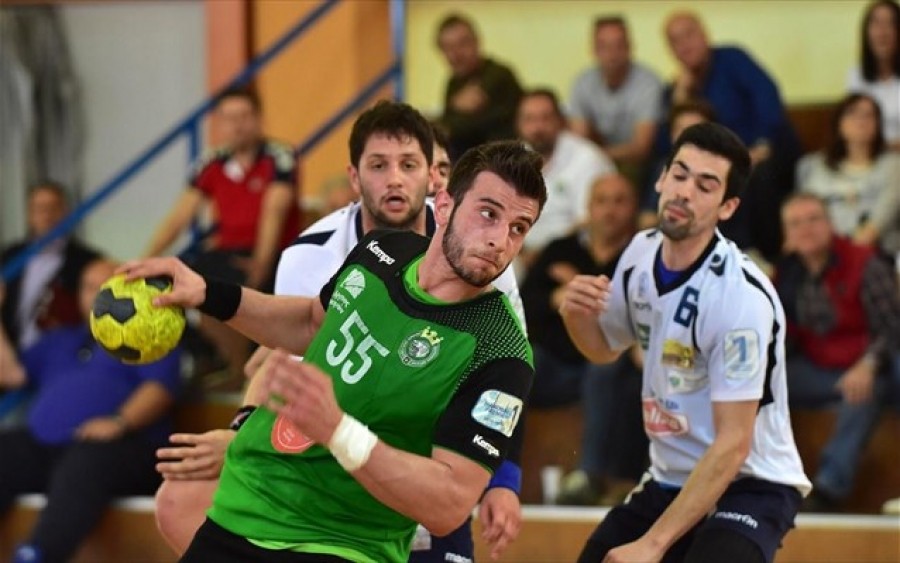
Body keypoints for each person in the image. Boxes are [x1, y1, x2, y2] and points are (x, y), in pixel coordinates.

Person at [121, 139, 546, 563]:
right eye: (488, 214)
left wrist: (339, 432)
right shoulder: (384, 251)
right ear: (446, 206)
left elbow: (448, 504)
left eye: (518, 227)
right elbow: (310, 323)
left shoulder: (502, 352)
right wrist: (206, 293)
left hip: (342, 543)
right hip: (243, 507)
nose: (499, 240)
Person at [560, 122, 810, 563]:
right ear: (661, 179)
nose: (684, 192)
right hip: (671, 477)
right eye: (679, 174)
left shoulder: (739, 298)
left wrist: (653, 544)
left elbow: (733, 443)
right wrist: (575, 316)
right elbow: (604, 350)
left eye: (705, 185)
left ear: (728, 207)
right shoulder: (639, 252)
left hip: (751, 481)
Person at [0, 259, 181, 563]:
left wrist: (119, 421)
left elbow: (160, 389)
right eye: (88, 287)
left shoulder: (148, 335)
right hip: (47, 449)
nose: (95, 294)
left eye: (104, 286)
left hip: (121, 449)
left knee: (87, 459)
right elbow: (11, 374)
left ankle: (36, 556)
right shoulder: (58, 339)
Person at [143, 87, 301, 385]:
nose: (238, 125)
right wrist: (145, 259)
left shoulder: (280, 156)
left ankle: (240, 372)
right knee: (167, 284)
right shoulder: (210, 160)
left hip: (276, 254)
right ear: (219, 124)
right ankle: (210, 356)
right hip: (227, 252)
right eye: (229, 118)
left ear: (259, 118)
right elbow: (180, 216)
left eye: (245, 116)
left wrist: (261, 262)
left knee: (223, 285)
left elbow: (274, 213)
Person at [520, 174, 646, 506]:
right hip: (555, 365)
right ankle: (492, 468)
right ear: (588, 208)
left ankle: (587, 477)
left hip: (610, 369)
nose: (610, 210)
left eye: (619, 201)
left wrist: (582, 292)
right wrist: (556, 297)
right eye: (602, 201)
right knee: (516, 362)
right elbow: (522, 305)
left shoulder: (643, 257)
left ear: (634, 207)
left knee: (604, 367)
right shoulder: (560, 249)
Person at [775, 192, 900, 512]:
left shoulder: (866, 263)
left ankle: (829, 489)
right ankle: (759, 482)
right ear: (786, 235)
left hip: (872, 365)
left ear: (831, 225)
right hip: (818, 367)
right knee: (755, 383)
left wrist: (868, 365)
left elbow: (892, 328)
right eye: (795, 223)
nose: (806, 229)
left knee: (863, 391)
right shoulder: (787, 274)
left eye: (813, 219)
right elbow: (782, 335)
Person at [662, 11, 800, 262]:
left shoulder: (732, 60)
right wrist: (681, 97)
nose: (684, 44)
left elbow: (767, 97)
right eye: (675, 41)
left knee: (756, 177)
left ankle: (770, 257)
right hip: (721, 163)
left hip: (765, 150)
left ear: (704, 35)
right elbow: (672, 140)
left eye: (689, 35)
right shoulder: (678, 88)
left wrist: (761, 145)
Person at [516, 88, 615, 263]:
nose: (537, 128)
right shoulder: (514, 158)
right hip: (520, 251)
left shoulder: (587, 158)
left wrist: (544, 253)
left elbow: (588, 220)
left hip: (572, 253)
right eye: (529, 119)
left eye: (545, 118)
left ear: (560, 121)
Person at [1, 181, 102, 351]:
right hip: (12, 351)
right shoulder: (9, 256)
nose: (47, 215)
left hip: (64, 353)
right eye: (40, 209)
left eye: (53, 208)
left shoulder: (86, 261)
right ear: (29, 215)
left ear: (66, 212)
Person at [795, 93, 900, 250]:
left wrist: (843, 253)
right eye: (852, 114)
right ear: (838, 123)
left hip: (872, 252)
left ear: (878, 125)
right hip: (820, 249)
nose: (861, 121)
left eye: (869, 115)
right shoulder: (813, 164)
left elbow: (880, 222)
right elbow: (802, 214)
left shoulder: (893, 165)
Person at [568, 16, 662, 178]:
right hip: (594, 162)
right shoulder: (582, 83)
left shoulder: (648, 83)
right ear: (594, 50)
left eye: (619, 45)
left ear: (630, 47)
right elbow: (578, 140)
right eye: (604, 46)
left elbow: (641, 148)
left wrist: (596, 155)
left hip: (637, 167)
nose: (612, 53)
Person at [437, 14, 523, 159]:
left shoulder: (498, 75)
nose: (456, 54)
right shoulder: (453, 83)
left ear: (477, 42)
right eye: (448, 48)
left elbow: (463, 127)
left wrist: (451, 119)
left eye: (462, 44)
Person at [848, 0, 900, 151]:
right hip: (870, 155)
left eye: (890, 24)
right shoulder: (855, 76)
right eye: (876, 24)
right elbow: (854, 128)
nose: (882, 32)